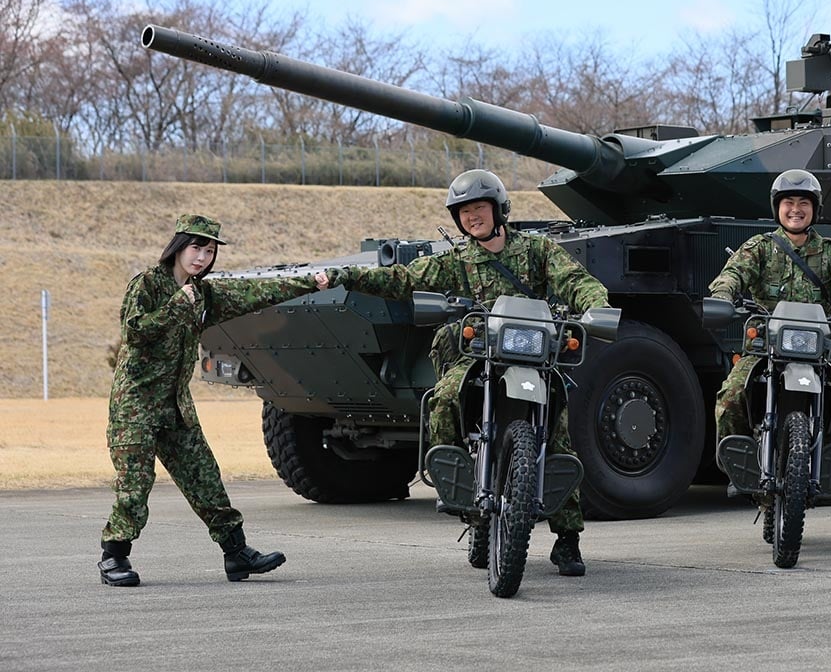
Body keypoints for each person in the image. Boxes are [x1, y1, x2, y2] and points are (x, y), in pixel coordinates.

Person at [314, 169, 609, 576]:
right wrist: (345, 276)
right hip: (478, 358)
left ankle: (567, 539)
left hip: (534, 356)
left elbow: (577, 281)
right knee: (443, 398)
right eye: (465, 212)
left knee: (557, 438)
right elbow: (403, 279)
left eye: (479, 209)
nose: (472, 218)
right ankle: (464, 493)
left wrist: (596, 306)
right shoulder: (458, 260)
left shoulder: (538, 251)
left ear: (498, 209)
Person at [99, 215, 326, 586]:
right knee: (134, 488)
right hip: (135, 408)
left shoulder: (203, 293)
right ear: (178, 247)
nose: (201, 258)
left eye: (209, 251)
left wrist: (309, 284)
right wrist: (176, 305)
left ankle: (237, 555)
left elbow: (255, 294)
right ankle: (113, 558)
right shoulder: (148, 284)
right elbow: (134, 332)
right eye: (196, 248)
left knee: (206, 481)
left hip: (175, 407)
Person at [707, 169, 831, 551]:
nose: (795, 209)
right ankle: (742, 470)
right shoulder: (760, 248)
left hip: (819, 355)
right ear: (778, 208)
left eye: (803, 203)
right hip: (765, 351)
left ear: (814, 210)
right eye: (789, 203)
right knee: (729, 397)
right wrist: (723, 296)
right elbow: (732, 275)